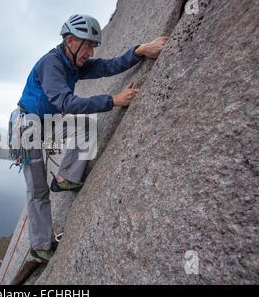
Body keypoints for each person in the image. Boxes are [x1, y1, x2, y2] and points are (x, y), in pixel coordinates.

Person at [16, 14, 168, 262]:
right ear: (70, 40)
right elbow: (67, 102)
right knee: (38, 191)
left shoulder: (73, 65)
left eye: (93, 45)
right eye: (86, 44)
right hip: (28, 127)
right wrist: (113, 101)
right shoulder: (51, 64)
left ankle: (66, 178)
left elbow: (108, 66)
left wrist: (140, 50)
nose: (91, 51)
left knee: (86, 126)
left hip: (48, 123)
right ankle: (41, 246)